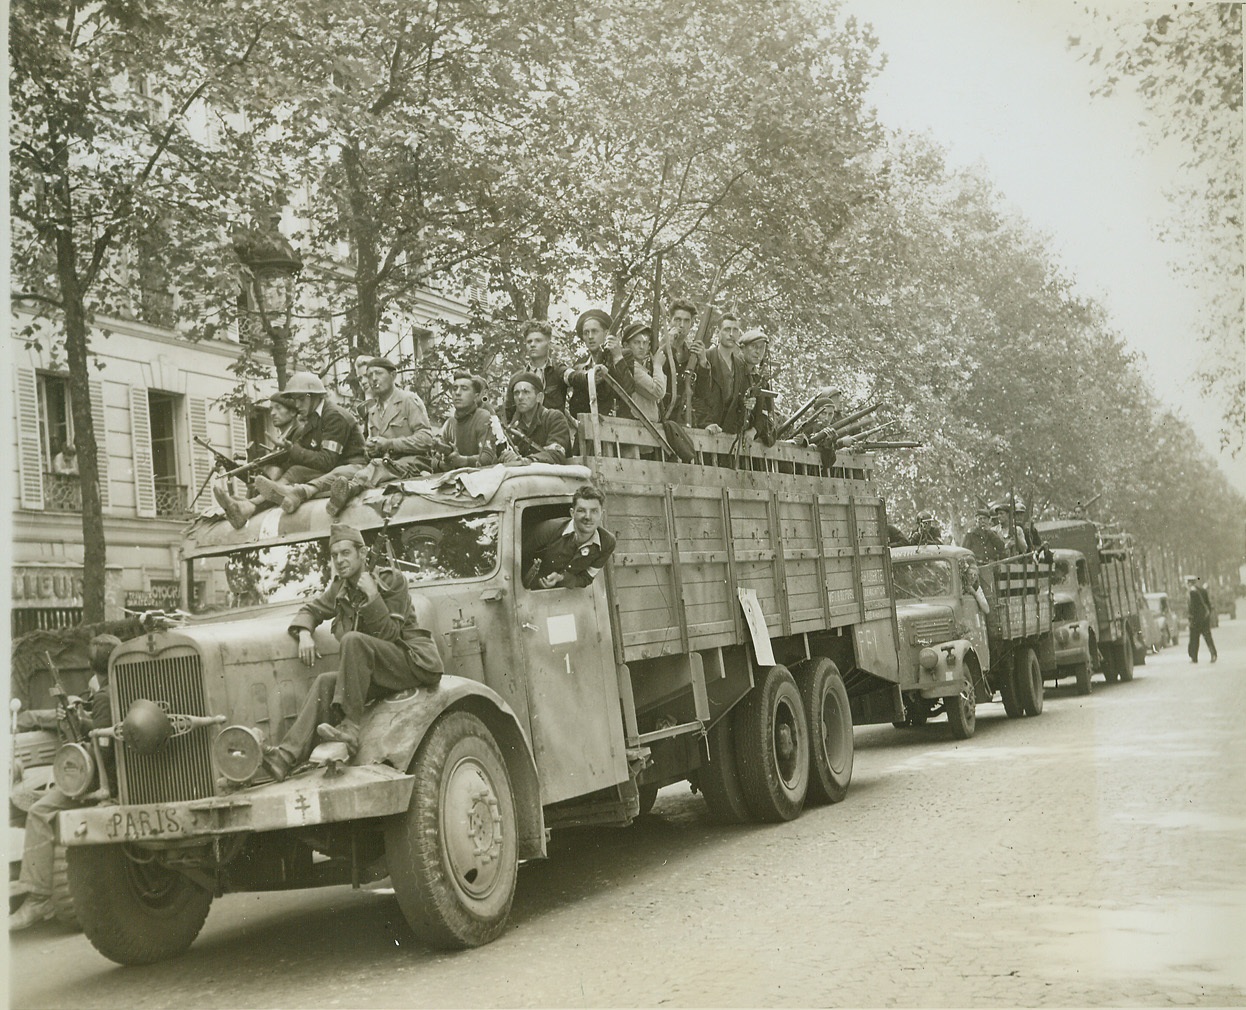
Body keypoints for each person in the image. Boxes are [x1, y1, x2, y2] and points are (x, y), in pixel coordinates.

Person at [262, 524, 444, 781]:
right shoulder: (341, 588)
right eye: (335, 555)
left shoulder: (391, 581)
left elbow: (390, 635)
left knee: (353, 640)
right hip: (379, 672)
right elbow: (311, 610)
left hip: (411, 663)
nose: (340, 560)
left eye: (346, 553)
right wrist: (304, 632)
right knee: (325, 683)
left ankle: (350, 728)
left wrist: (372, 596)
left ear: (362, 553)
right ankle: (285, 758)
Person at [10, 635, 121, 931]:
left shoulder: (102, 697)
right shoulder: (123, 689)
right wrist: (80, 720)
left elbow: (101, 747)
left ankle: (38, 898)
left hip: (101, 777)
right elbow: (102, 734)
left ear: (93, 668)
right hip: (116, 774)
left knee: (39, 811)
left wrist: (78, 724)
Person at [279, 358, 435, 517]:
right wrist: (371, 449)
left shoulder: (408, 400)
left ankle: (346, 491)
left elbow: (426, 439)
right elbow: (374, 451)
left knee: (376, 466)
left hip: (412, 463)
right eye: (369, 375)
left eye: (379, 373)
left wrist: (389, 444)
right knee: (345, 470)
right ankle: (306, 490)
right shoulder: (373, 411)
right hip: (383, 465)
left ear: (393, 375)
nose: (373, 379)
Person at [214, 371, 366, 529]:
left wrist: (292, 450)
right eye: (295, 400)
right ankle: (248, 507)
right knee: (295, 471)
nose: (297, 405)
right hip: (336, 467)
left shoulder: (333, 416)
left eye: (300, 400)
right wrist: (283, 454)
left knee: (296, 472)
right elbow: (301, 451)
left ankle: (251, 506)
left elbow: (326, 461)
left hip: (351, 467)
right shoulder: (314, 418)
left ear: (312, 396)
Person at [523, 485, 616, 590]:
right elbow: (517, 557)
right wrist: (535, 581)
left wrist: (561, 578)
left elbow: (586, 578)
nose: (588, 517)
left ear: (601, 515)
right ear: (572, 513)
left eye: (594, 511)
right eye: (581, 510)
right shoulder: (548, 529)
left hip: (567, 599)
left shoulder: (607, 542)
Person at [480, 372, 573, 467]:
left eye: (526, 392)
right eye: (517, 393)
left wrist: (526, 460)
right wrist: (506, 456)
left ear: (539, 397)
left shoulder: (553, 418)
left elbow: (556, 454)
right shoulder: (511, 425)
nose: (520, 397)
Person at [564, 309, 634, 419]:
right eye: (586, 333)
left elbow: (629, 390)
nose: (590, 336)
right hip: (588, 429)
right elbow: (575, 407)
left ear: (606, 334)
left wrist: (617, 356)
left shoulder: (624, 355)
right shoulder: (580, 366)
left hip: (618, 429)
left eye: (594, 331)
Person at [692, 311, 750, 432]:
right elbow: (697, 397)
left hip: (728, 433)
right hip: (705, 429)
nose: (731, 334)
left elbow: (741, 402)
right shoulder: (705, 357)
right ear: (718, 333)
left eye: (735, 330)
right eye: (727, 329)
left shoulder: (740, 365)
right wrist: (706, 424)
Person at [505, 321, 568, 421]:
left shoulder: (557, 371)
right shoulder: (517, 378)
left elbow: (575, 377)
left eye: (538, 341)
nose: (532, 345)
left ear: (549, 343)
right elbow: (508, 412)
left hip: (554, 430)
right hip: (526, 432)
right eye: (529, 342)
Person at [432, 372, 494, 472]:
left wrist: (462, 461)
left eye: (464, 389)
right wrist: (441, 465)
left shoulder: (484, 417)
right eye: (455, 388)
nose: (457, 393)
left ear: (476, 396)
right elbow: (432, 459)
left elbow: (488, 457)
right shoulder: (449, 423)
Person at [659, 299, 704, 421]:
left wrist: (703, 362)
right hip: (657, 415)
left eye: (686, 321)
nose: (682, 325)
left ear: (691, 324)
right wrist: (668, 344)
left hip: (681, 419)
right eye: (677, 320)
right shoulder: (656, 347)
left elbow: (701, 393)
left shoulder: (691, 356)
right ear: (669, 321)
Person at [616, 322, 667, 424]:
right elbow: (659, 391)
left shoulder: (644, 368)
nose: (642, 347)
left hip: (648, 426)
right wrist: (657, 365)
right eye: (636, 342)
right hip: (636, 425)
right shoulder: (632, 368)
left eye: (645, 343)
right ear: (626, 345)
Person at [1186, 575, 1218, 664]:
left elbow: (1192, 608)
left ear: (1189, 583)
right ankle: (1213, 654)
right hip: (1204, 619)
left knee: (1194, 639)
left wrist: (1191, 619)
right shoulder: (1203, 591)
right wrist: (1207, 616)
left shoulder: (1191, 592)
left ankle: (1194, 657)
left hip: (1195, 620)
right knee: (1208, 637)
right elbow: (1208, 604)